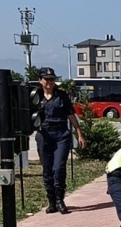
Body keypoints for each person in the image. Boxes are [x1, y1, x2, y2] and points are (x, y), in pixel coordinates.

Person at [35, 67, 86, 214]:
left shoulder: (61, 95)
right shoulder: (35, 96)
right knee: (47, 169)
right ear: (40, 81)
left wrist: (79, 133)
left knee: (58, 168)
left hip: (61, 135)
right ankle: (51, 202)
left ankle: (60, 200)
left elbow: (71, 114)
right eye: (47, 79)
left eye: (52, 79)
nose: (50, 82)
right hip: (44, 135)